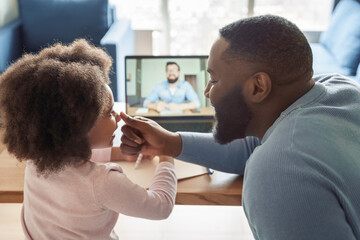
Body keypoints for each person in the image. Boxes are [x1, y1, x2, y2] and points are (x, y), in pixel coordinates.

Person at [120, 15, 360, 239]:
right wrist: (170, 143)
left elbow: (273, 155)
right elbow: (253, 147)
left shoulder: (279, 170)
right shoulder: (340, 88)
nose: (207, 93)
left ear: (257, 87)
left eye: (214, 81)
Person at [0, 39, 177, 239]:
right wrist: (166, 155)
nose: (118, 116)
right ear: (79, 126)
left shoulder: (36, 162)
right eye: (110, 112)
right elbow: (160, 206)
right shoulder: (103, 182)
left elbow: (73, 163)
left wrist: (118, 153)